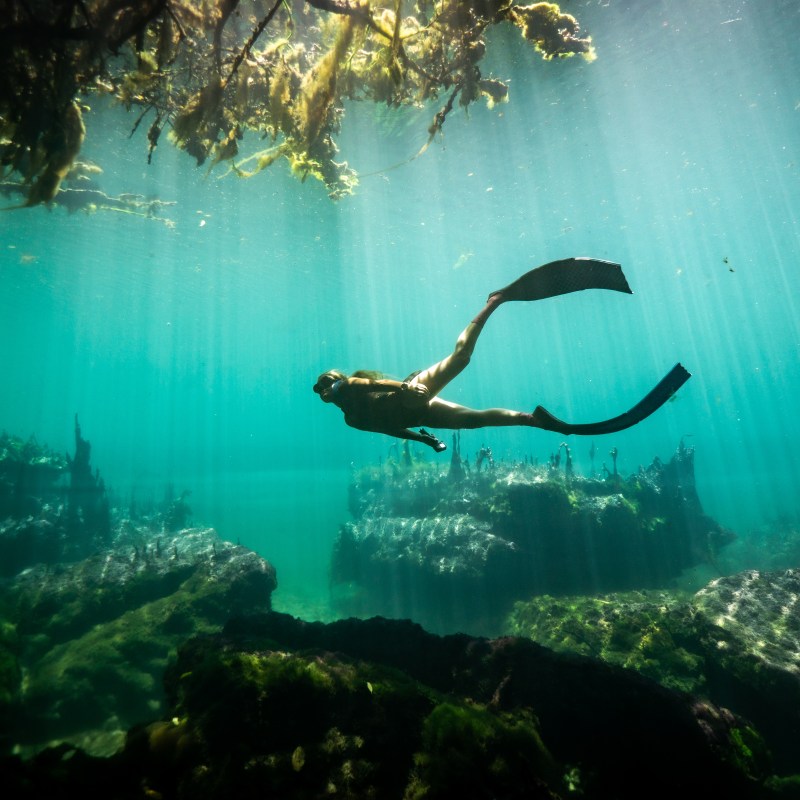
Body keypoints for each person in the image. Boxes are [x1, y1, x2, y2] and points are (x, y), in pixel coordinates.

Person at [313, 258, 690, 452]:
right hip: (419, 412)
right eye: (325, 390)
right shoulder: (351, 420)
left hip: (413, 391)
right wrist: (427, 440)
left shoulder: (353, 385)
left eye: (329, 382)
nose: (329, 389)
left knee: (460, 359)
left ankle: (495, 301)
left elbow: (375, 383)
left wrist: (405, 390)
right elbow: (392, 430)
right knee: (474, 421)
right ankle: (534, 421)